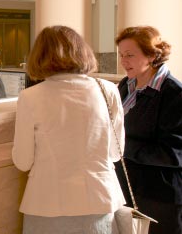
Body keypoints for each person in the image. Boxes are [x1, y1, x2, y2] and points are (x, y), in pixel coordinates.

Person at [12, 26, 125, 233]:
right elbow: (116, 154)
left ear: (39, 55)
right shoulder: (108, 90)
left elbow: (23, 161)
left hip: (47, 201)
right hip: (99, 198)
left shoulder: (30, 97)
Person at [115, 26, 182, 234]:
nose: (123, 61)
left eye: (130, 55)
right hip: (129, 191)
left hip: (161, 198)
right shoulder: (125, 85)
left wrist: (121, 146)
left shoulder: (174, 94)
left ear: (152, 55)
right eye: (121, 55)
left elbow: (174, 154)